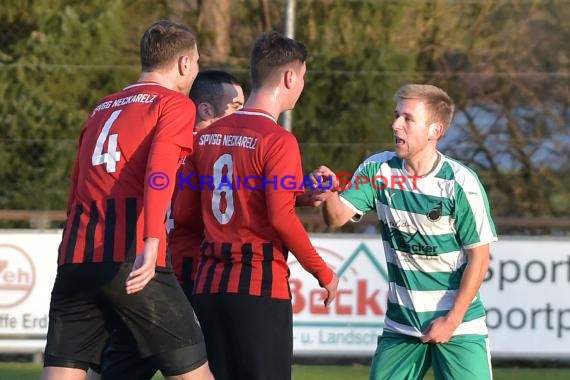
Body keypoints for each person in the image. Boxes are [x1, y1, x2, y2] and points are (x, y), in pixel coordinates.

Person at [41, 20, 214, 380]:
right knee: (195, 372)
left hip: (76, 259)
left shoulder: (102, 107)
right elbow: (160, 170)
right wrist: (152, 241)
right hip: (131, 256)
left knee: (63, 372)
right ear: (184, 64)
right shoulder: (175, 104)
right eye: (197, 62)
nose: (196, 70)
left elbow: (77, 186)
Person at [171, 30, 339, 380]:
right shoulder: (278, 140)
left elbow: (187, 213)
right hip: (258, 287)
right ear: (291, 77)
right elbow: (280, 217)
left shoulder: (207, 137)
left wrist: (303, 194)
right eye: (304, 77)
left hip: (209, 288)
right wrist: (322, 271)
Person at [313, 84, 497, 380]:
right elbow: (336, 218)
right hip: (401, 326)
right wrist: (329, 191)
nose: (395, 124)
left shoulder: (460, 183)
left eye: (408, 119)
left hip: (458, 326)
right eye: (397, 115)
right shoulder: (377, 170)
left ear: (434, 130)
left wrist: (451, 320)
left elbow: (479, 258)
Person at [87, 69, 245, 380]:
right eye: (237, 106)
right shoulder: (212, 152)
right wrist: (301, 193)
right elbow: (238, 202)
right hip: (188, 278)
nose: (242, 115)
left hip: (141, 268)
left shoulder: (160, 140)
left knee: (115, 365)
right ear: (205, 109)